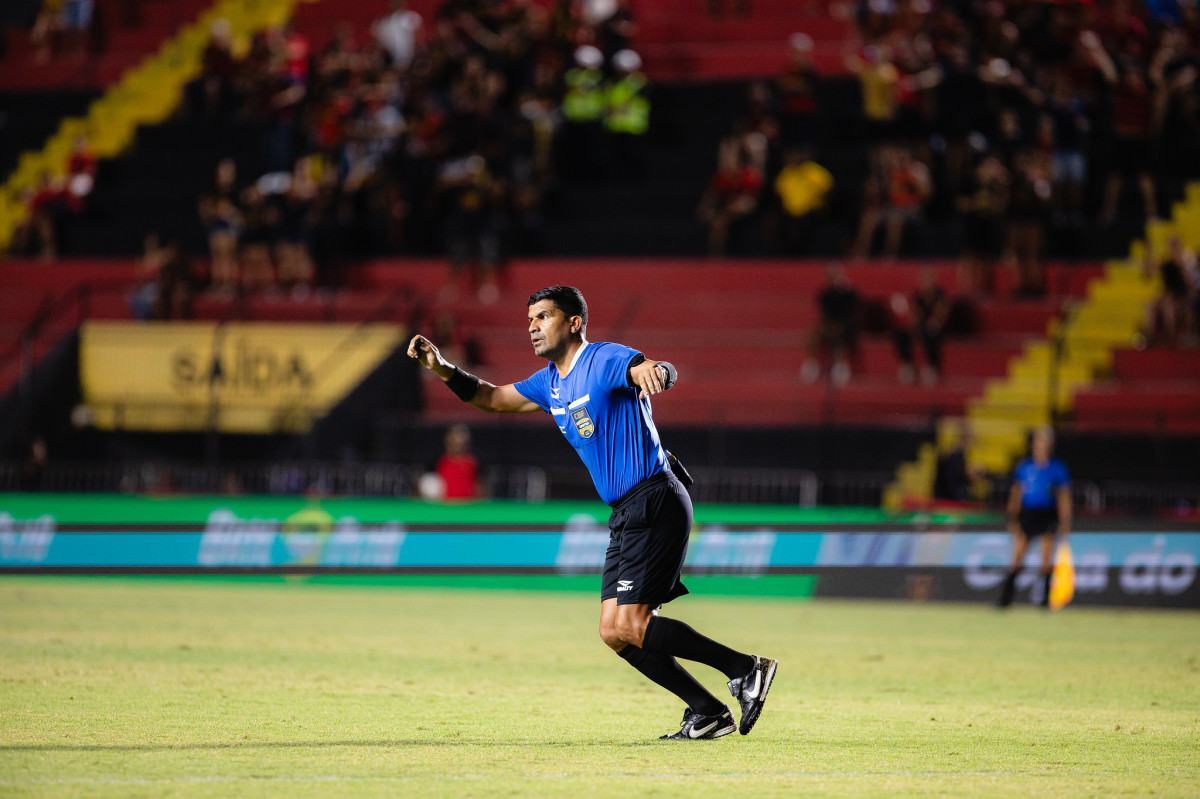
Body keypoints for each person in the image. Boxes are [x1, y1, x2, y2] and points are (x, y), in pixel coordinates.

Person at [407, 285, 778, 740]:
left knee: (633, 623)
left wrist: (658, 372)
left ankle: (745, 669)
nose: (533, 328)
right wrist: (443, 368)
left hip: (654, 497)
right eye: (529, 321)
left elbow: (647, 367)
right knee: (614, 631)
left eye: (543, 317)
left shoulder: (601, 360)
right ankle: (706, 710)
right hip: (627, 510)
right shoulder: (550, 382)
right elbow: (491, 397)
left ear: (574, 322)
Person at [996, 427, 1072, 609]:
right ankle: (1005, 600)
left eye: (1044, 442)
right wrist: (1012, 517)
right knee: (1017, 557)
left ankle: (1045, 601)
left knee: (1046, 560)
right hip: (1027, 514)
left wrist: (1065, 521)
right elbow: (1016, 493)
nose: (1041, 445)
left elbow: (1063, 496)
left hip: (1046, 515)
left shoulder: (1057, 469)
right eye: (1038, 441)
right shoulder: (1025, 467)